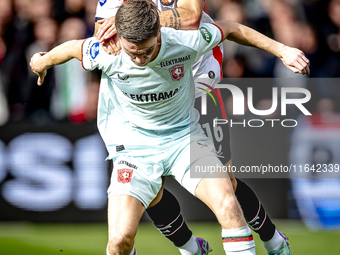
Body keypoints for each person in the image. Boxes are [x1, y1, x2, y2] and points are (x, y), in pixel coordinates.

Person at [30, 1, 309, 254]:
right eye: (133, 52)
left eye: (144, 50)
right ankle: (191, 248)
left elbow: (192, 18)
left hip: (199, 88)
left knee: (227, 190)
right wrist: (41, 60)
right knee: (144, 202)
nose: (138, 58)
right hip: (134, 130)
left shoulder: (182, 42)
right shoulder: (112, 40)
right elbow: (88, 40)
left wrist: (282, 49)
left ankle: (272, 239)